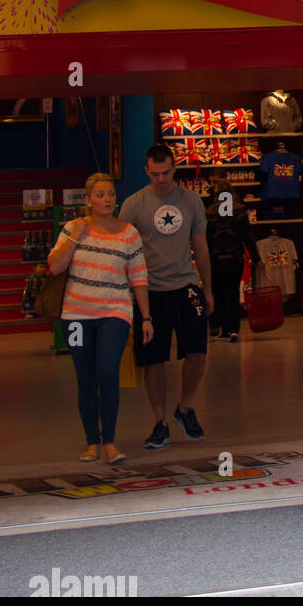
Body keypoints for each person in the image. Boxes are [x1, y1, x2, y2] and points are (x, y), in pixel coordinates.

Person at [46, 172, 150, 464]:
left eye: (111, 194)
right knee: (86, 379)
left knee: (108, 373)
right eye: (101, 195)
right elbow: (54, 266)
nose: (107, 200)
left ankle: (110, 442)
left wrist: (146, 317)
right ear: (89, 199)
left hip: (114, 313)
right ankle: (92, 441)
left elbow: (139, 278)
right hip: (76, 317)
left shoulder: (129, 233)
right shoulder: (73, 228)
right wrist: (76, 237)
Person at [119, 144, 212, 449]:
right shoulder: (133, 205)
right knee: (153, 359)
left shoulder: (191, 201)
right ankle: (160, 421)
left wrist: (207, 289)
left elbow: (200, 247)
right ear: (146, 171)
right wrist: (127, 297)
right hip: (150, 292)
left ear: (175, 170)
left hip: (186, 285)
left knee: (198, 352)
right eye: (154, 173)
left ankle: (184, 408)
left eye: (166, 173)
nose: (160, 179)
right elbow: (125, 255)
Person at [206, 173, 257, 342]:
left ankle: (223, 329)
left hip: (215, 259)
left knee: (218, 294)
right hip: (235, 258)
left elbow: (206, 239)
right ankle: (234, 329)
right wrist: (257, 258)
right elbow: (248, 238)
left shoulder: (211, 213)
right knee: (233, 293)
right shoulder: (240, 211)